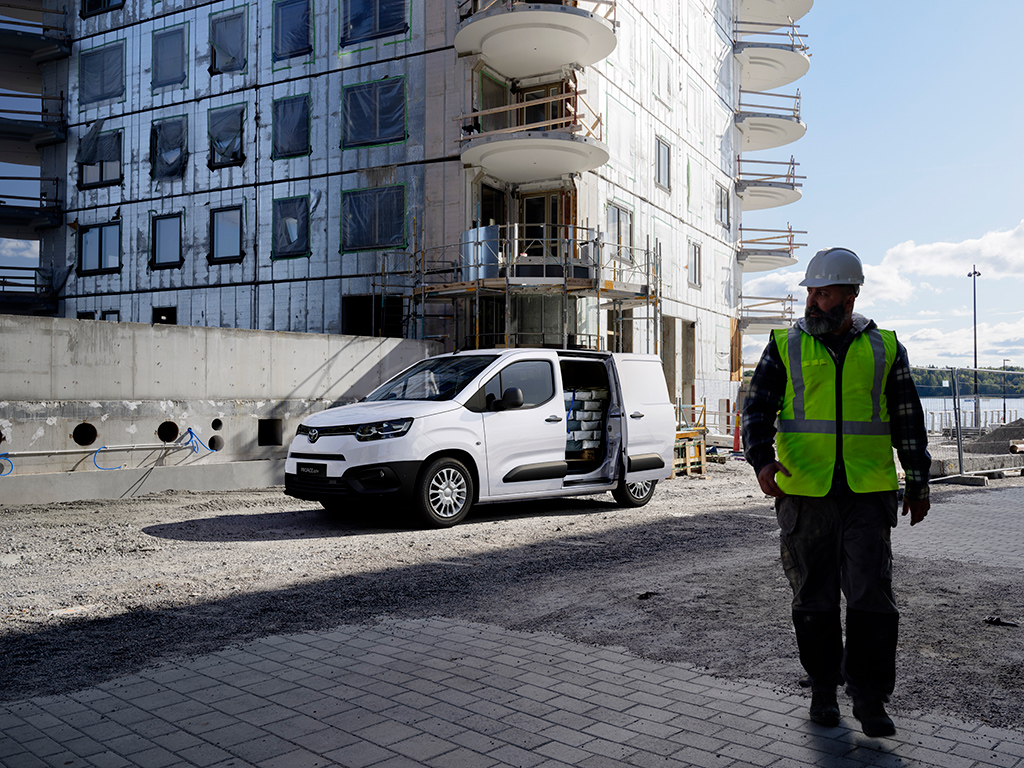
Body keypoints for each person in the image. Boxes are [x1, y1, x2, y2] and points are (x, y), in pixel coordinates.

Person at [741, 247, 931, 738]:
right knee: (813, 597)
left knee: (871, 596)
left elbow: (909, 419)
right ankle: (823, 689)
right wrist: (761, 459)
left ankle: (869, 698)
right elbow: (757, 409)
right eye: (810, 293)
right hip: (804, 493)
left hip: (868, 493)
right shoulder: (784, 345)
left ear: (850, 296)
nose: (812, 303)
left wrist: (918, 480)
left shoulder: (886, 347)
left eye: (823, 294)